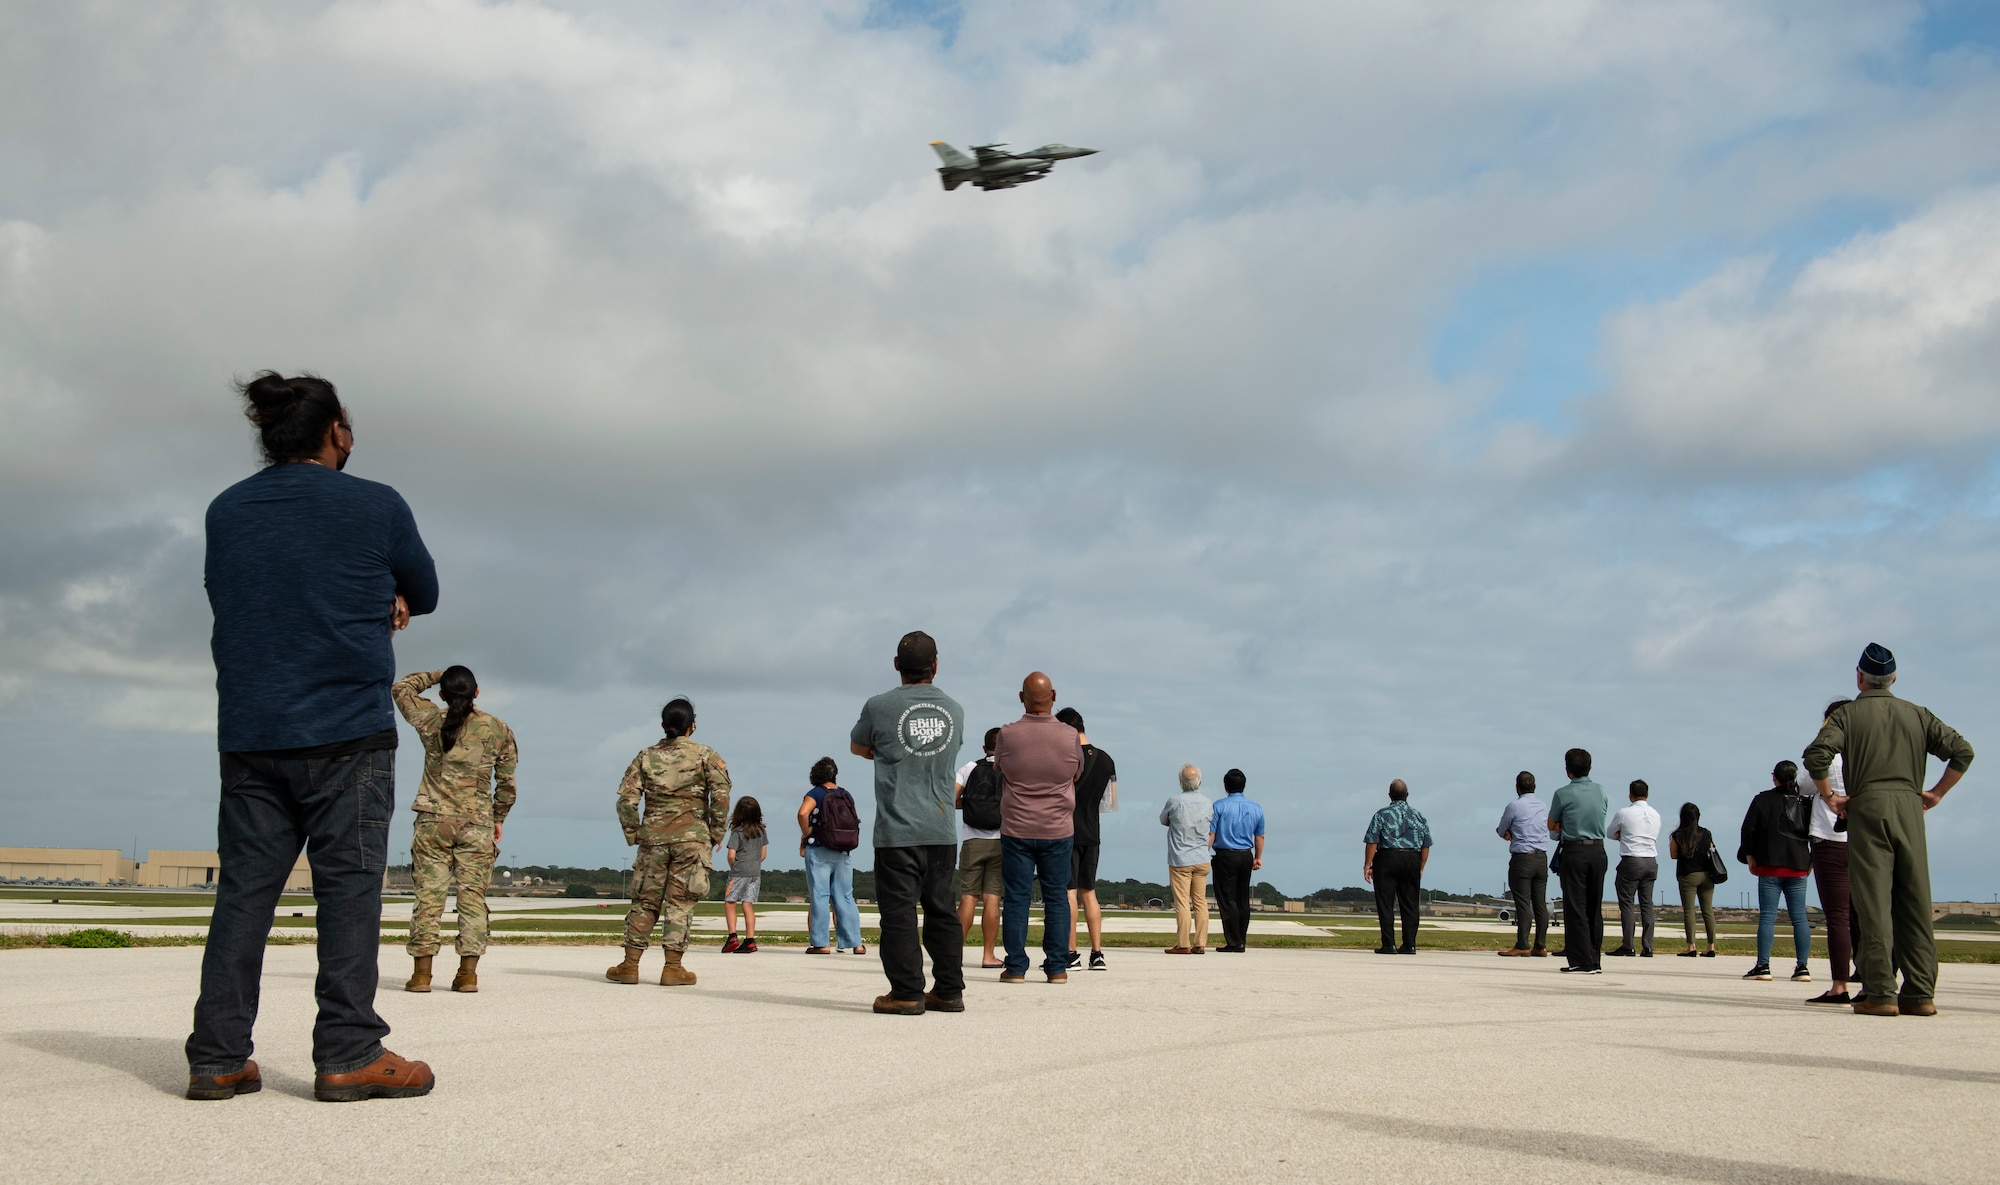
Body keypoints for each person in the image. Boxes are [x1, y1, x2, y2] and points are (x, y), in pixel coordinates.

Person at [188, 372, 439, 1105]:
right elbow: (423, 590)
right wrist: (380, 592)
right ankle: (348, 1052)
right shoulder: (375, 503)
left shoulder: (226, 509)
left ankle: (218, 1055)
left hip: (250, 730)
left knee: (242, 895)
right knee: (350, 893)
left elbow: (257, 588)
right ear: (336, 431)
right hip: (347, 734)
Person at [1804, 644, 1974, 1017]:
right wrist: (1936, 794)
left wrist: (1831, 797)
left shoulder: (1847, 715)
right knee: (1914, 899)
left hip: (1867, 806)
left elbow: (1816, 756)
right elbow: (1963, 751)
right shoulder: (1918, 714)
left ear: (1859, 677)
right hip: (1910, 806)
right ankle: (1920, 992)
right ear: (1894, 678)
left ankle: (1880, 990)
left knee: (1873, 901)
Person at [851, 631, 967, 1014]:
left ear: (897, 665)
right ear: (935, 665)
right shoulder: (954, 709)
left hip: (897, 829)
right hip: (941, 826)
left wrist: (886, 753)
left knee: (899, 913)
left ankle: (906, 991)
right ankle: (949, 990)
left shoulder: (880, 705)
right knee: (942, 910)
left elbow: (858, 745)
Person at [392, 667, 517, 994]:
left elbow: (401, 689)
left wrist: (438, 674)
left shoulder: (431, 720)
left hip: (433, 820)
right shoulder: (497, 728)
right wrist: (498, 817)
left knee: (428, 898)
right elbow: (506, 784)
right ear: (477, 693)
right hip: (476, 823)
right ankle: (467, 974)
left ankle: (422, 975)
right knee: (472, 898)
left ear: (443, 695)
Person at [607, 697, 730, 988]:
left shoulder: (646, 756)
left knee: (645, 901)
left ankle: (630, 965)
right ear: (693, 726)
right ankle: (673, 967)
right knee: (680, 903)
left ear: (663, 726)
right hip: (692, 839)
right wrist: (715, 833)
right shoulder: (706, 755)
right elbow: (721, 796)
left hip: (653, 839)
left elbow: (626, 800)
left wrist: (634, 832)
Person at [995, 673, 1084, 984]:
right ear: (1054, 696)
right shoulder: (1070, 735)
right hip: (1058, 828)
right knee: (1057, 897)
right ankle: (1057, 967)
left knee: (1017, 898)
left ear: (1021, 698)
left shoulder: (1007, 734)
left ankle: (1016, 967)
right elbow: (1076, 775)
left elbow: (1000, 769)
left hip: (1017, 827)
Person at [1737, 760, 1814, 984]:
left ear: (1775, 777)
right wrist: (1812, 860)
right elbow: (1814, 831)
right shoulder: (1804, 802)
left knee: (1768, 917)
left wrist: (1750, 856)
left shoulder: (1762, 800)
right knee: (1800, 917)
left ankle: (1763, 965)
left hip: (1770, 865)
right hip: (1798, 865)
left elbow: (1747, 830)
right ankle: (1802, 967)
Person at [1806, 699, 1862, 1005]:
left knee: (1838, 916)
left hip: (1830, 839)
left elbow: (1803, 783)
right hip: (1864, 840)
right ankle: (1871, 980)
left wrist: (1827, 794)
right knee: (1867, 914)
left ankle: (1839, 985)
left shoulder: (1826, 755)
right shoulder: (1865, 753)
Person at [1057, 707, 1118, 971]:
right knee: (1089, 893)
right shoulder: (1106, 760)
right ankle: (1097, 953)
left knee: (1069, 892)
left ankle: (1071, 953)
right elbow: (1110, 803)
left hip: (1066, 829)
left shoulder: (1064, 757)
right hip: (1093, 831)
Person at [1547, 748, 1608, 975]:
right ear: (1589, 768)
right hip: (1598, 851)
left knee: (1575, 907)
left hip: (1574, 851)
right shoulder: (1601, 791)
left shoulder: (1562, 793)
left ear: (1567, 770)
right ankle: (1595, 958)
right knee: (1594, 907)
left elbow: (1551, 823)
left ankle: (1581, 960)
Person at [799, 757, 863, 956]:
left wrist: (807, 832)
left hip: (819, 849)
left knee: (820, 895)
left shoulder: (815, 793)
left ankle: (821, 943)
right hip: (843, 851)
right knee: (845, 897)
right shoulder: (845, 795)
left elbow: (803, 813)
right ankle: (856, 943)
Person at [1362, 780, 1431, 955]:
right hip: (1411, 858)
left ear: (1390, 795)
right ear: (1407, 795)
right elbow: (1426, 844)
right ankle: (1410, 944)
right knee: (1410, 904)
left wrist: (1367, 865)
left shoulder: (1381, 815)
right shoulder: (1418, 816)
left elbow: (1372, 842)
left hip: (1387, 857)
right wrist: (1421, 866)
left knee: (1385, 903)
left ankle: (1389, 944)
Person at [955, 729, 1004, 969]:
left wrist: (971, 805)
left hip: (972, 839)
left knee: (967, 898)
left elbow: (952, 798)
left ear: (984, 748)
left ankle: (954, 955)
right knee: (992, 899)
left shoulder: (969, 767)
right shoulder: (1010, 770)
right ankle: (988, 955)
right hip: (1001, 840)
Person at [1209, 768, 1265, 953]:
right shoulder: (1256, 808)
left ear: (1225, 787)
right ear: (1244, 786)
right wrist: (1258, 857)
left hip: (1225, 854)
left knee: (1227, 899)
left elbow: (1211, 833)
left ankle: (1234, 941)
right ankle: (1241, 938)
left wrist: (1204, 852)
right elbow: (1259, 836)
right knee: (1242, 899)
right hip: (1245, 854)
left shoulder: (1218, 806)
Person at [1495, 771, 1550, 957]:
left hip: (1522, 858)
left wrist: (1508, 833)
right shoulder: (1543, 806)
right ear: (1534, 787)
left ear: (1517, 787)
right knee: (1540, 904)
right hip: (1541, 858)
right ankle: (1540, 945)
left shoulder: (1514, 806)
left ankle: (1523, 944)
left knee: (1523, 904)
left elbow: (1502, 829)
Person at [1160, 765, 1213, 954]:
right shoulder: (1208, 803)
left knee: (1182, 902)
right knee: (1200, 902)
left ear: (1181, 782)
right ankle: (1200, 943)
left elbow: (1163, 820)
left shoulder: (1175, 801)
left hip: (1181, 859)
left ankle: (1183, 944)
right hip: (1201, 857)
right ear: (1200, 781)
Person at [1607, 780, 1661, 957]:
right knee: (1647, 904)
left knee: (1627, 904)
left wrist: (1622, 837)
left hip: (1632, 859)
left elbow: (1609, 832)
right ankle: (1648, 945)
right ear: (1648, 794)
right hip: (1651, 861)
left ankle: (1628, 945)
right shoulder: (1655, 814)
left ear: (1630, 795)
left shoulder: (1625, 812)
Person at [1668, 803, 1719, 957]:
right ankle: (1711, 945)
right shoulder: (1706, 833)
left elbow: (1673, 855)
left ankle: (1691, 946)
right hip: (1707, 875)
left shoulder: (1678, 835)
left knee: (1689, 910)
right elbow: (1711, 849)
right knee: (1708, 910)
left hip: (1688, 874)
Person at [721, 797, 768, 954]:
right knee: (748, 905)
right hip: (755, 873)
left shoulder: (737, 832)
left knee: (730, 902)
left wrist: (733, 867)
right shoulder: (761, 831)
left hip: (738, 871)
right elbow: (763, 854)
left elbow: (731, 855)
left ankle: (732, 936)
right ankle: (750, 940)